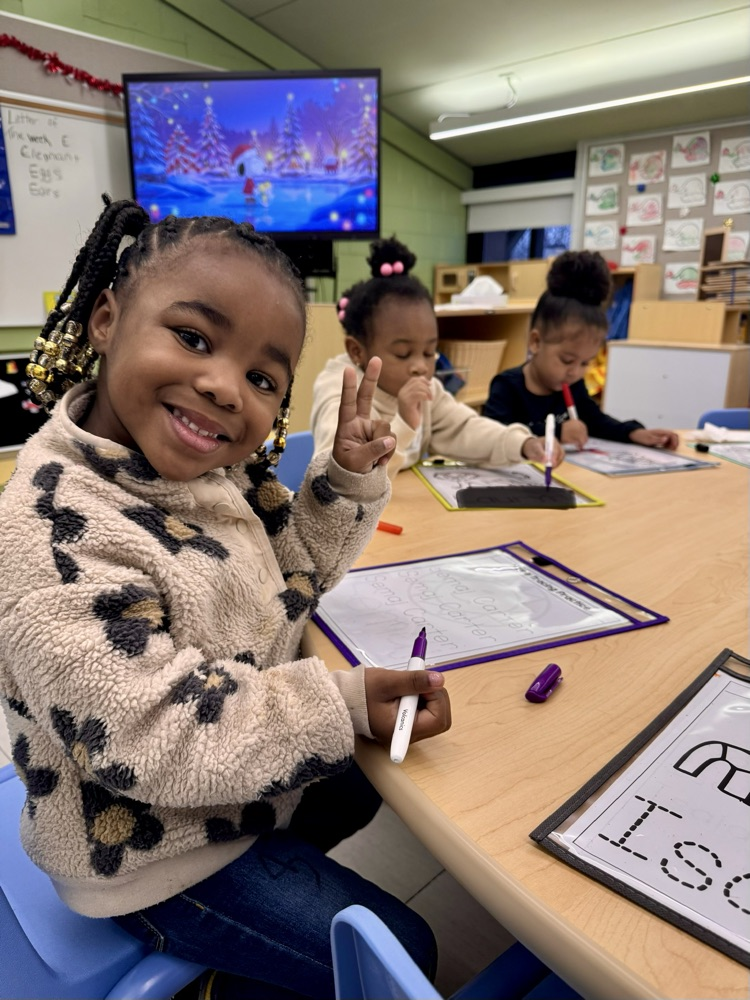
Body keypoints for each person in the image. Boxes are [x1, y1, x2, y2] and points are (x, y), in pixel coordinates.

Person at [0, 199, 452, 1000]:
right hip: (151, 854)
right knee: (406, 949)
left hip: (225, 789)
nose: (221, 386)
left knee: (367, 775)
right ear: (106, 319)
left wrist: (345, 476)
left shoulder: (210, 473)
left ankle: (266, 922)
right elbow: (154, 736)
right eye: (194, 337)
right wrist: (339, 701)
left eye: (261, 378)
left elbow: (297, 569)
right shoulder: (46, 529)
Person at [310, 236, 564, 476]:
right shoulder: (341, 394)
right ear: (357, 351)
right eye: (403, 353)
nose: (420, 366)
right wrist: (405, 423)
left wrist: (522, 444)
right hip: (354, 516)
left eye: (430, 352)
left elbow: (464, 428)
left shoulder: (427, 390)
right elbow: (337, 478)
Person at [483, 251, 679, 450]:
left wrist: (633, 432)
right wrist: (557, 432)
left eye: (585, 363)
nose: (575, 372)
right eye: (567, 360)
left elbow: (595, 421)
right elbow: (495, 434)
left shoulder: (572, 385)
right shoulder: (507, 386)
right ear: (536, 342)